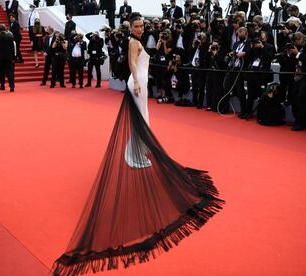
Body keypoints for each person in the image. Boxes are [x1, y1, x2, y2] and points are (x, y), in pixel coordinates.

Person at [52, 12, 224, 276]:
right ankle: (136, 152)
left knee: (142, 122)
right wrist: (138, 85)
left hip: (140, 83)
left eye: (142, 25)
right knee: (142, 121)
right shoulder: (133, 41)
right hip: (138, 85)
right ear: (130, 27)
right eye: (137, 25)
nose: (140, 28)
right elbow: (133, 63)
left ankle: (136, 152)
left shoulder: (137, 38)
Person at [0, 24, 15, 92]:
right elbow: (12, 48)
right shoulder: (10, 36)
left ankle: (2, 85)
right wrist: (13, 57)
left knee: (1, 72)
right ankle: (11, 86)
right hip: (9, 57)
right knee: (10, 72)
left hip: (0, 58)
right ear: (5, 29)